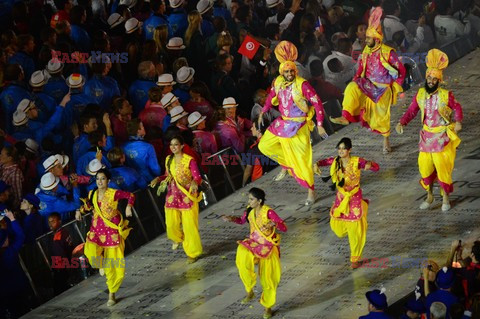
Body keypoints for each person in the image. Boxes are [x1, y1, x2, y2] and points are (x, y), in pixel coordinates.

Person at [258, 40, 327, 206]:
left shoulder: (302, 85)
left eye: (291, 70)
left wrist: (319, 124)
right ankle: (288, 164)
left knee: (303, 160)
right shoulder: (278, 82)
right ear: (282, 72)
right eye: (286, 71)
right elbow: (270, 97)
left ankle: (311, 190)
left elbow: (317, 103)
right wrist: (262, 111)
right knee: (264, 145)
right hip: (283, 123)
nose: (289, 73)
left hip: (298, 126)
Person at [330, 7, 406, 154]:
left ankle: (386, 141)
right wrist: (356, 79)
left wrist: (397, 87)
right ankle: (346, 116)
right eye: (366, 38)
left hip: (383, 87)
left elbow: (400, 70)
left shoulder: (387, 52)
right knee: (351, 87)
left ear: (377, 38)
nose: (366, 40)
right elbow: (360, 69)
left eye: (369, 38)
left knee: (380, 114)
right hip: (368, 84)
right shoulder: (365, 51)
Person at [396, 49, 463, 212]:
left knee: (442, 168)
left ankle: (445, 197)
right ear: (426, 78)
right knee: (424, 167)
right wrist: (402, 122)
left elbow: (457, 107)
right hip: (426, 137)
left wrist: (458, 121)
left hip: (441, 137)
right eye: (429, 78)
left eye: (434, 78)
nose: (431, 81)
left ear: (439, 81)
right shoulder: (420, 94)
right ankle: (429, 195)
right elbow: (412, 111)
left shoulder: (446, 95)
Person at [222, 188, 287, 319]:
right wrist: (231, 218)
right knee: (242, 257)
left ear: (259, 201)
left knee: (268, 278)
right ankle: (249, 291)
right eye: (249, 199)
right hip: (254, 243)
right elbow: (241, 220)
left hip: (268, 246)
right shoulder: (250, 210)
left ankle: (268, 307)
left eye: (251, 199)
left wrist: (273, 223)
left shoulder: (268, 212)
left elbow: (283, 227)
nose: (249, 201)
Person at [314, 137, 379, 267]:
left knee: (355, 228)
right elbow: (322, 162)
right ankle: (349, 231)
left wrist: (370, 165)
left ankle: (355, 258)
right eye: (339, 148)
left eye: (344, 148)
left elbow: (376, 168)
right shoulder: (335, 161)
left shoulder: (357, 161)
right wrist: (316, 164)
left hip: (354, 197)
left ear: (349, 150)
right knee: (336, 228)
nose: (341, 151)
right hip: (341, 197)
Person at [75, 168, 135, 306]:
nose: (100, 181)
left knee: (114, 266)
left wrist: (128, 207)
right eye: (97, 179)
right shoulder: (93, 193)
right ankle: (100, 264)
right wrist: (79, 210)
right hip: (96, 231)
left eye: (102, 179)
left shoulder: (114, 193)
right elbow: (89, 207)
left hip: (111, 233)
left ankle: (112, 293)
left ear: (108, 180)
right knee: (90, 252)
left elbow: (131, 195)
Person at [150, 135, 203, 263]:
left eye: (176, 144)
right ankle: (179, 238)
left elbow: (198, 177)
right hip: (173, 196)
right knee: (171, 224)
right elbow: (167, 175)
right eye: (171, 145)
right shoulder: (169, 159)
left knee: (190, 226)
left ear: (182, 146)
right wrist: (159, 178)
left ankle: (192, 253)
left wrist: (196, 183)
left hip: (187, 196)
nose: (173, 147)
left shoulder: (189, 160)